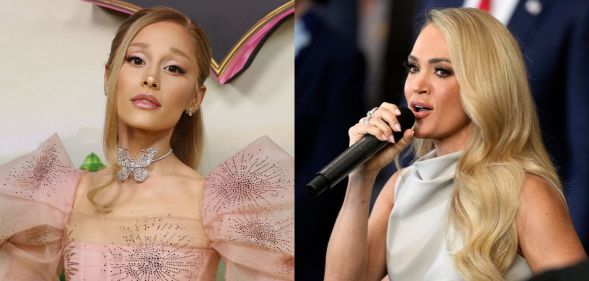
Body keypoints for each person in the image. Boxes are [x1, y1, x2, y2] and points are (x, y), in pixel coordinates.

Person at [0, 6, 293, 281]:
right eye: (136, 60)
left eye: (174, 68)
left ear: (195, 97)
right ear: (109, 77)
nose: (151, 78)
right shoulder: (58, 196)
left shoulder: (221, 204)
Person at [324, 8, 585, 281]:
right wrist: (360, 180)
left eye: (441, 71)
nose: (417, 85)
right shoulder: (401, 187)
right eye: (413, 68)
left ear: (485, 84)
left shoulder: (525, 192)